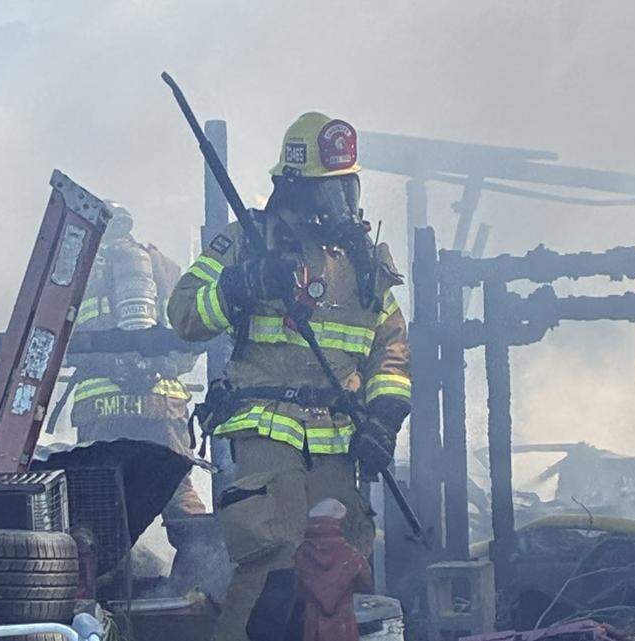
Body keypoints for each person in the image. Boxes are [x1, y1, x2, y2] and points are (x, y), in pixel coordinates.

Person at [168, 112, 411, 641]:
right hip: (266, 434)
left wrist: (384, 421)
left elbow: (389, 351)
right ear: (294, 188)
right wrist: (242, 284)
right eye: (327, 192)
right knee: (271, 571)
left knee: (335, 575)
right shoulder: (246, 243)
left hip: (338, 445)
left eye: (346, 189)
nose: (340, 206)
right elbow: (184, 314)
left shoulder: (363, 264)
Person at [66, 201, 207, 519]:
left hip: (101, 409)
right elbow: (194, 335)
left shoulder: (77, 274)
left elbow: (61, 346)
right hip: (163, 406)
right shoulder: (167, 269)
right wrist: (161, 369)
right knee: (178, 493)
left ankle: (111, 568)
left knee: (101, 503)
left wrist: (106, 365)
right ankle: (203, 565)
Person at [294, 499, 372, 641]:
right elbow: (366, 585)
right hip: (343, 629)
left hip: (312, 629)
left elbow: (297, 591)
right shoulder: (351, 555)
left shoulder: (301, 554)